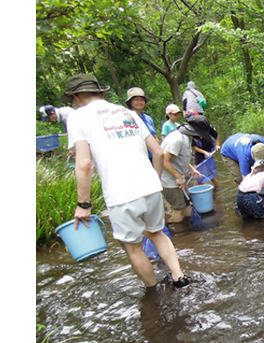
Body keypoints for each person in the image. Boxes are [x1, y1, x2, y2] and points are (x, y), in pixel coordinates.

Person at [63, 73, 189, 288]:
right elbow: (158, 153)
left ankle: (153, 292)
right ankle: (179, 277)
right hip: (150, 187)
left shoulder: (77, 117)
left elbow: (84, 163)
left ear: (76, 97)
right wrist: (154, 180)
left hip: (121, 194)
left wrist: (83, 204)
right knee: (157, 233)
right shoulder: (128, 113)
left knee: (133, 247)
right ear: (102, 93)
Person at [160, 124, 203, 224]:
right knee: (179, 208)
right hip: (168, 181)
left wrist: (192, 169)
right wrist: (178, 177)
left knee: (187, 205)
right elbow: (164, 161)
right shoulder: (176, 140)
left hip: (178, 178)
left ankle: (189, 229)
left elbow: (180, 157)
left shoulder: (187, 138)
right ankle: (180, 233)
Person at [185, 114, 220, 188]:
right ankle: (201, 189)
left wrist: (217, 145)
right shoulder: (191, 133)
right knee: (198, 175)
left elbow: (216, 136)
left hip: (209, 151)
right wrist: (204, 152)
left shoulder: (208, 127)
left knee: (212, 175)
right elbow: (194, 147)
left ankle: (217, 191)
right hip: (199, 153)